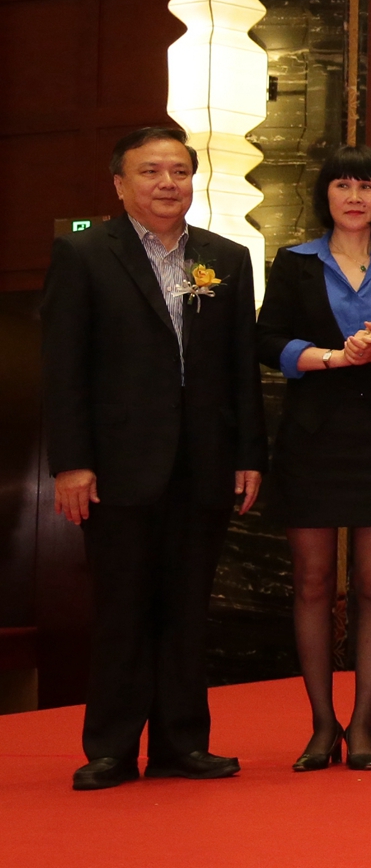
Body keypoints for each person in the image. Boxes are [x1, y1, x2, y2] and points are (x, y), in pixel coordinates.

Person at [41, 126, 266, 791]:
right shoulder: (84, 253)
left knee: (188, 609)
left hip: (204, 462)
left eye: (179, 171)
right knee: (123, 609)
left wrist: (248, 453)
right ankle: (111, 748)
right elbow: (63, 366)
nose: (168, 183)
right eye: (151, 171)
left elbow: (241, 369)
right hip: (117, 465)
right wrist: (72, 462)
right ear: (119, 183)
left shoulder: (227, 257)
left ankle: (181, 743)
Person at [255, 144, 371, 772]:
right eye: (343, 185)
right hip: (312, 437)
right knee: (312, 583)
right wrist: (333, 357)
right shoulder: (295, 262)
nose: (355, 197)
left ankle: (362, 724)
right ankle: (320, 724)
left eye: (367, 186)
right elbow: (268, 340)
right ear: (326, 195)